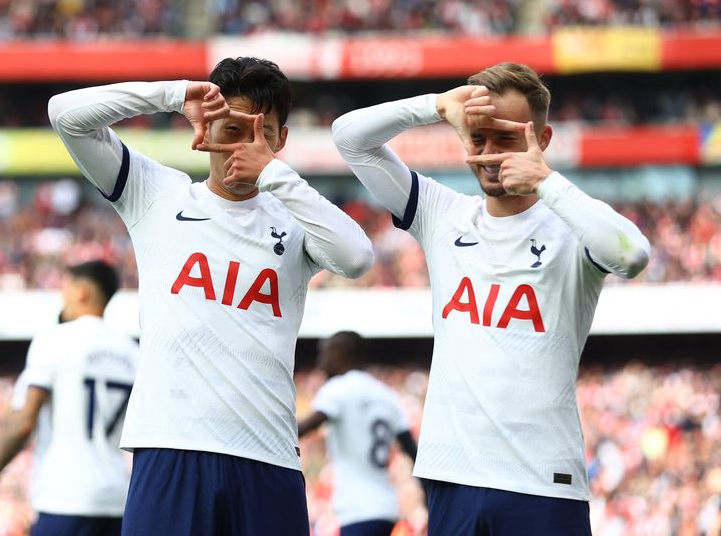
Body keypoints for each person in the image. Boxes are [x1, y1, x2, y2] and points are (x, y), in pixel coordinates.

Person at [48, 57, 373, 535]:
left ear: (281, 140)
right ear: (205, 128)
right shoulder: (157, 194)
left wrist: (274, 174)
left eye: (260, 134)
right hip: (170, 448)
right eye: (231, 129)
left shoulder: (296, 218)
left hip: (267, 454)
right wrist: (174, 94)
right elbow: (65, 114)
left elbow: (357, 257)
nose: (242, 146)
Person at [332, 62, 650, 534]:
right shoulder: (442, 213)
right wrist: (435, 106)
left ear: (542, 139)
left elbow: (633, 255)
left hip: (543, 481)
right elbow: (350, 139)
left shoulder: (571, 225)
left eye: (506, 138)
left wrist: (546, 181)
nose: (489, 154)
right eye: (478, 138)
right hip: (452, 477)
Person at [0, 260, 139, 536]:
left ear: (81, 293)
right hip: (117, 497)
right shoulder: (132, 353)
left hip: (64, 495)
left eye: (65, 289)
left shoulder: (55, 340)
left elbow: (24, 420)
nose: (62, 299)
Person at [298, 331, 422, 536]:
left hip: (358, 509)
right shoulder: (387, 395)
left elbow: (305, 427)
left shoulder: (338, 388)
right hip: (387, 507)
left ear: (339, 353)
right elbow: (412, 451)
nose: (320, 363)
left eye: (324, 353)